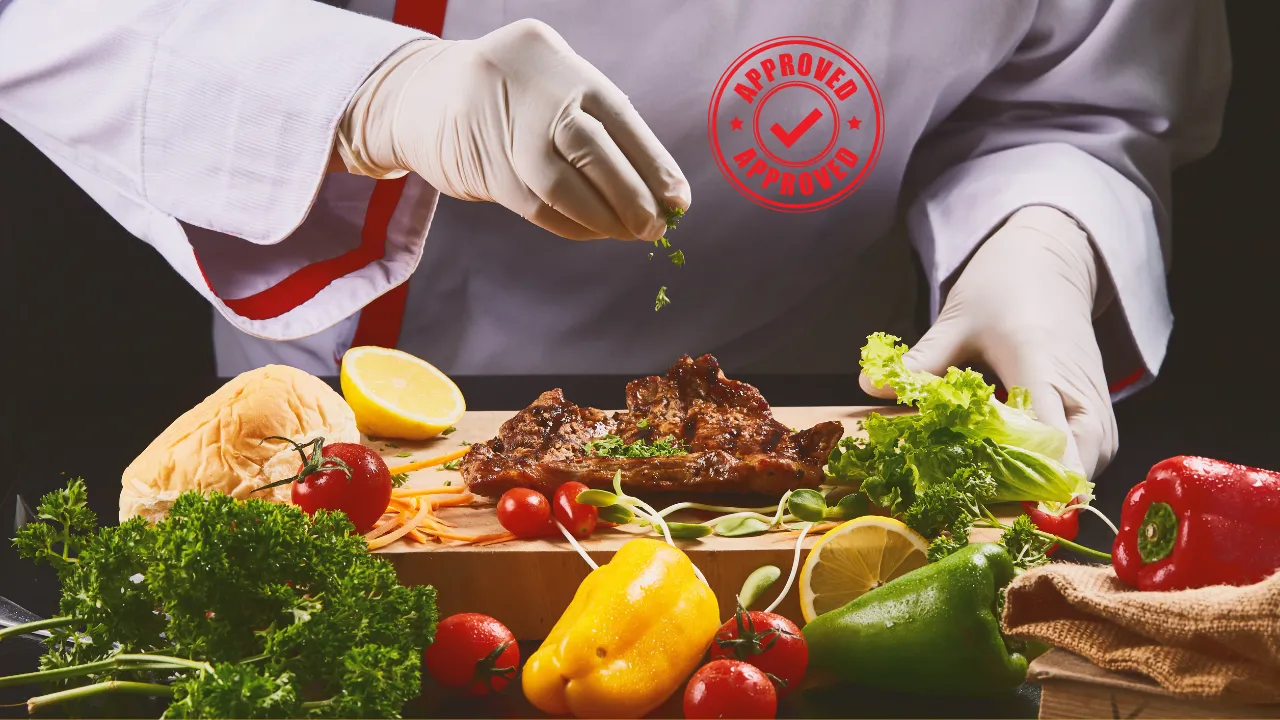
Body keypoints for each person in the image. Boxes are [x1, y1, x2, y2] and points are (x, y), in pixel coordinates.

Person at [0, 0, 1229, 480]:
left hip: (817, 416)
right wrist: (375, 93)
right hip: (368, 420)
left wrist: (1034, 245)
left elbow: (1062, 94)